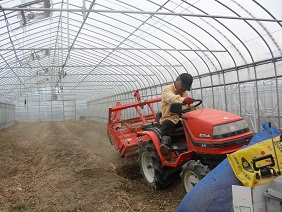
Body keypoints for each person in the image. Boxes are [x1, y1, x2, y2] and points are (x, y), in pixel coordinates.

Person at [159, 73, 194, 160]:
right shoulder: (167, 90)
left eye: (186, 87)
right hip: (169, 118)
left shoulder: (184, 92)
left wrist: (198, 110)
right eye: (183, 86)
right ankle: (165, 147)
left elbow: (190, 105)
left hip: (180, 118)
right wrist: (184, 100)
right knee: (167, 124)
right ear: (177, 80)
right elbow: (173, 99)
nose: (183, 89)